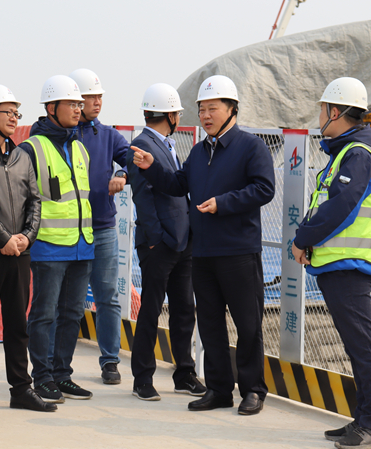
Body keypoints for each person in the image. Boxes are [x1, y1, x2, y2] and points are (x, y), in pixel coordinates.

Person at [130, 75, 275, 415]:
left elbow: (264, 188)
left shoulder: (251, 147)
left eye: (213, 108)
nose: (205, 116)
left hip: (238, 251)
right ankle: (220, 390)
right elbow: (177, 185)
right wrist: (152, 168)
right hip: (204, 253)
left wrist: (223, 203)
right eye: (201, 110)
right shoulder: (198, 152)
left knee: (248, 324)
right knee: (210, 325)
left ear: (232, 109)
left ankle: (253, 390)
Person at [292, 78, 371, 449]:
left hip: (350, 264)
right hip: (338, 263)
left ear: (335, 112)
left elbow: (341, 207)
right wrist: (307, 238)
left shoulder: (358, 153)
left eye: (321, 109)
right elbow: (326, 203)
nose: (319, 116)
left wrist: (303, 239)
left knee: (363, 346)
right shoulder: (346, 151)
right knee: (355, 345)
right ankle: (363, 420)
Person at [0, 84, 54, 415]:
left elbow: (35, 199)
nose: (14, 118)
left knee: (18, 325)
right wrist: (3, 238)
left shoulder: (22, 156)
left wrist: (26, 237)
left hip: (19, 252)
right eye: (8, 112)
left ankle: (21, 389)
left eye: (16, 112)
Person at [125, 83, 205, 401]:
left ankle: (184, 373)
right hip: (160, 244)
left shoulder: (165, 144)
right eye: (178, 114)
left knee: (184, 309)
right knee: (151, 309)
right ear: (170, 115)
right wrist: (157, 240)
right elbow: (143, 197)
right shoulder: (141, 145)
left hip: (182, 241)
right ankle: (142, 378)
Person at [18, 75, 94, 403]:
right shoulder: (31, 149)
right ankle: (43, 376)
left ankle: (62, 374)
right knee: (44, 314)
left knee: (72, 314)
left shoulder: (79, 148)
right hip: (48, 247)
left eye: (79, 104)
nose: (79, 109)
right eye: (71, 104)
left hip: (81, 245)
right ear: (51, 108)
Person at [68, 68, 128, 384]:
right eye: (90, 97)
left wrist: (122, 174)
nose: (97, 102)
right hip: (68, 229)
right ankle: (58, 366)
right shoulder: (58, 135)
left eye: (99, 96)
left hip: (103, 228)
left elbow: (131, 159)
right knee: (69, 301)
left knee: (107, 297)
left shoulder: (108, 135)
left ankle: (110, 361)